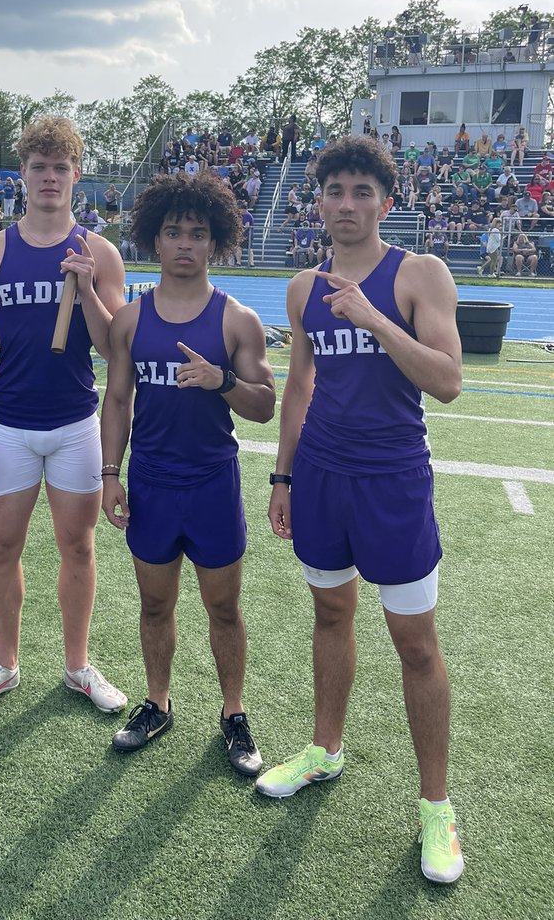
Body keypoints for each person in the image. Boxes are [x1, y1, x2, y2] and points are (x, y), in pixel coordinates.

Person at [256, 136, 465, 886]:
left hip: (393, 481)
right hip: (320, 478)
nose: (346, 205)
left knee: (415, 644)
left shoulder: (419, 273)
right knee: (330, 617)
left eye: (361, 192)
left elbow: (447, 381)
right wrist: (283, 477)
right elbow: (300, 389)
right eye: (334, 191)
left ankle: (436, 805)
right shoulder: (302, 286)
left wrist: (377, 320)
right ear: (318, 200)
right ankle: (325, 749)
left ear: (386, 200)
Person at [100, 172, 275, 772]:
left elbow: (265, 405)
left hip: (211, 484)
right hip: (149, 482)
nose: (183, 244)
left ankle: (233, 713)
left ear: (214, 242)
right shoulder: (129, 320)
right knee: (154, 606)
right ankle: (157, 703)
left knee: (224, 609)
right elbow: (117, 401)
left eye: (197, 234)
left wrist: (219, 379)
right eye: (173, 232)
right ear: (155, 238)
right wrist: (109, 473)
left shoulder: (237, 320)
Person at [0, 116, 127, 717]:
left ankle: (78, 666)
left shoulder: (99, 252)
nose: (49, 177)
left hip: (76, 425)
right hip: (9, 426)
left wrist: (87, 290)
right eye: (39, 167)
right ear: (22, 175)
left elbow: (114, 351)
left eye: (61, 168)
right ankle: (4, 663)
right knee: (2, 545)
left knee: (77, 547)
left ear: (76, 176)